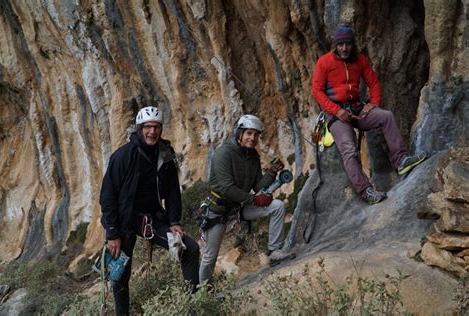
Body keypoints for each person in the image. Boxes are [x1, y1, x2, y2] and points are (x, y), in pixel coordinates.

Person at [100, 106, 200, 315]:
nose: (152, 132)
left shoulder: (165, 155)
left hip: (152, 219)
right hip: (124, 222)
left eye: (156, 127)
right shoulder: (123, 156)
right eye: (147, 127)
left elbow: (173, 190)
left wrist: (174, 221)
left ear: (161, 129)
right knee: (120, 275)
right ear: (139, 128)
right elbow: (107, 196)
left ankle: (195, 305)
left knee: (189, 248)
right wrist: (112, 233)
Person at [311, 25, 427, 204]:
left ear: (352, 45)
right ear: (335, 45)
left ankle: (401, 160)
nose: (344, 48)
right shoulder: (324, 62)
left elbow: (373, 81)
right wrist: (337, 111)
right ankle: (366, 191)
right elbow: (317, 91)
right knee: (349, 149)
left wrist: (373, 103)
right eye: (341, 44)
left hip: (357, 108)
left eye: (348, 44)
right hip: (336, 114)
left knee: (385, 116)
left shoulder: (359, 60)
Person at [199, 114, 295, 284]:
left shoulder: (252, 156)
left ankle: (274, 252)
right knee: (210, 256)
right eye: (249, 133)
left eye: (256, 135)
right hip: (219, 210)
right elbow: (226, 188)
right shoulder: (224, 154)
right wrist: (254, 200)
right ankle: (202, 293)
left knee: (277, 206)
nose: (253, 138)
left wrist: (272, 172)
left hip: (238, 209)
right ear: (240, 133)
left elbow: (258, 186)